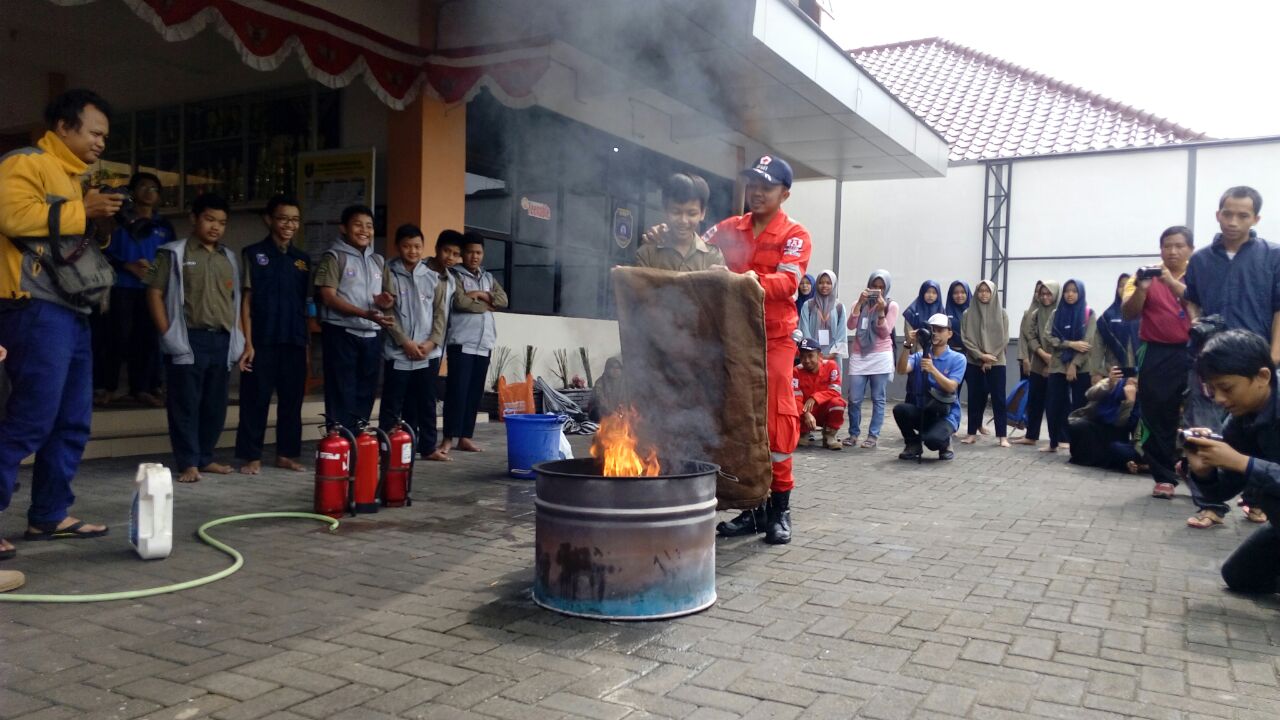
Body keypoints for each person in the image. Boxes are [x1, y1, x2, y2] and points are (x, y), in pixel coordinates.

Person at [0, 89, 121, 590]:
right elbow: (11, 217)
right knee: (30, 418)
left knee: (72, 419)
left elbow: (72, 241)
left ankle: (49, 513)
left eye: (105, 137)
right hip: (32, 306)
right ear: (65, 127)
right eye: (95, 133)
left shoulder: (77, 179)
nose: (100, 143)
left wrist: (99, 221)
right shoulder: (24, 163)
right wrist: (81, 208)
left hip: (72, 308)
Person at [700, 155, 811, 545]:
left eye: (767, 186)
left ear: (785, 194)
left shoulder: (795, 235)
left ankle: (780, 509)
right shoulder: (729, 228)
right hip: (732, 338)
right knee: (738, 418)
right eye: (753, 185)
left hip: (774, 340)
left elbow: (787, 283)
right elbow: (696, 249)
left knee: (776, 421)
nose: (757, 192)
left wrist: (740, 279)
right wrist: (665, 234)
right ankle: (752, 508)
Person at [146, 193, 246, 484]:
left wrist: (238, 337)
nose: (216, 227)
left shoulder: (228, 257)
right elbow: (153, 293)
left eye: (222, 223)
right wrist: (167, 333)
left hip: (221, 339)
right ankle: (188, 462)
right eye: (209, 219)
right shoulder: (173, 253)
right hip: (188, 338)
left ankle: (205, 457)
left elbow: (235, 300)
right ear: (194, 218)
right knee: (185, 404)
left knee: (215, 405)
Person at [1181, 330, 1280, 588]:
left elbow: (1241, 465)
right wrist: (1204, 472)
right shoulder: (1240, 418)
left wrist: (1241, 462)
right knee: (1239, 575)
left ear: (1262, 377)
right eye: (1212, 389)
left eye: (1226, 388)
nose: (1219, 399)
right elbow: (1223, 490)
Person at [235, 195, 311, 475]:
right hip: (262, 340)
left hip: (293, 339)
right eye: (283, 219)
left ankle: (286, 454)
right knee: (255, 400)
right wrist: (248, 342)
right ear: (269, 220)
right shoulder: (253, 254)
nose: (289, 225)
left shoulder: (302, 260)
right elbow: (246, 301)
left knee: (291, 401)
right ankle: (251, 456)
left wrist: (306, 345)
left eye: (295, 220)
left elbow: (305, 305)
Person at [1121, 226, 1192, 500]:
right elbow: (1128, 313)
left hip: (1194, 351)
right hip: (1156, 352)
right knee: (1157, 413)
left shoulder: (1199, 274)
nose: (1172, 251)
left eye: (1179, 246)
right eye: (1167, 246)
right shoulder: (1143, 275)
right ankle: (1164, 477)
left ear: (1190, 249)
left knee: (1199, 413)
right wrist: (1142, 289)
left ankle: (1194, 471)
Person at [314, 204, 392, 433]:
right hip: (341, 332)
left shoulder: (378, 260)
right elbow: (328, 297)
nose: (364, 230)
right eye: (358, 225)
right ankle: (339, 440)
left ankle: (358, 438)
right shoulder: (334, 257)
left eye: (369, 226)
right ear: (343, 228)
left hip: (371, 334)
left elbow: (386, 298)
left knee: (366, 390)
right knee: (341, 389)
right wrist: (364, 313)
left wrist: (385, 301)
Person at [100, 171, 174, 407]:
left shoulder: (163, 225)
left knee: (147, 338)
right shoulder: (117, 219)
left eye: (154, 188)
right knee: (117, 336)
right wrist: (127, 265)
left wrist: (153, 272)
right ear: (132, 192)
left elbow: (171, 256)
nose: (149, 192)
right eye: (143, 186)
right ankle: (108, 387)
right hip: (121, 285)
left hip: (151, 290)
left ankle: (141, 388)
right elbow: (101, 251)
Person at [1184, 187, 1280, 362]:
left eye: (1243, 216)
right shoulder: (1200, 259)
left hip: (1257, 355)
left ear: (1255, 219)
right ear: (1218, 215)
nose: (1233, 222)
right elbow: (1191, 298)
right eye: (1227, 214)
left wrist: (1274, 357)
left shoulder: (1273, 256)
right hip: (1211, 354)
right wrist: (1196, 318)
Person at [379, 224, 449, 461]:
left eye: (417, 246)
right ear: (397, 247)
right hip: (398, 352)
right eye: (407, 246)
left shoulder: (432, 277)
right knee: (392, 402)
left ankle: (428, 448)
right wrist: (404, 342)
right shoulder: (387, 273)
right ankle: (386, 448)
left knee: (426, 402)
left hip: (427, 353)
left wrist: (432, 342)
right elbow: (387, 312)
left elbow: (440, 314)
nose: (412, 251)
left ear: (423, 247)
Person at [440, 232, 508, 455]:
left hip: (484, 345)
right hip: (462, 342)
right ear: (463, 253)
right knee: (456, 392)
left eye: (478, 252)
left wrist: (479, 293)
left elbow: (503, 300)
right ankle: (448, 438)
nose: (474, 256)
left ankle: (465, 437)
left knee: (473, 394)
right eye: (470, 252)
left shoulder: (488, 277)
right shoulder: (454, 275)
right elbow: (460, 302)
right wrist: (488, 303)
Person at [893, 313, 966, 460]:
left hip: (946, 414)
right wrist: (908, 345)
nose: (935, 334)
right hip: (924, 410)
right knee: (900, 410)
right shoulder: (920, 355)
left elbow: (951, 387)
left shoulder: (958, 358)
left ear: (949, 333)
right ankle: (913, 444)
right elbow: (901, 370)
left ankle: (945, 443)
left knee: (932, 441)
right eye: (932, 330)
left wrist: (933, 369)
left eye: (940, 330)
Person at [843, 270, 897, 449]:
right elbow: (850, 325)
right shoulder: (859, 303)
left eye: (881, 287)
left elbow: (885, 332)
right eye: (875, 286)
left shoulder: (891, 306)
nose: (878, 290)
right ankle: (853, 433)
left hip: (880, 355)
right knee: (854, 398)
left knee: (878, 398)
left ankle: (873, 436)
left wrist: (881, 311)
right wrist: (859, 303)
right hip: (859, 355)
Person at [1042, 279, 1096, 453]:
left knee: (1079, 407)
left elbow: (1088, 343)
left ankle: (1078, 445)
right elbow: (1048, 336)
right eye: (1067, 291)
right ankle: (1053, 442)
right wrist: (1070, 344)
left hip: (1081, 368)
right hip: (1058, 365)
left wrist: (1074, 364)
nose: (1070, 294)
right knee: (1054, 405)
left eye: (1074, 291)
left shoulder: (1088, 314)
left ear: (1080, 293)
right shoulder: (1057, 313)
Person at [635, 173, 726, 272]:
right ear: (665, 210)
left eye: (691, 214)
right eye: (676, 212)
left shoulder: (713, 257)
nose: (683, 220)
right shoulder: (648, 253)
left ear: (703, 213)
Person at [960, 280, 1011, 447]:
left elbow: (1004, 338)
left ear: (993, 293)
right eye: (980, 290)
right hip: (974, 362)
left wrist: (991, 357)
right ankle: (971, 433)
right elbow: (965, 338)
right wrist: (981, 356)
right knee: (974, 397)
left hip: (997, 362)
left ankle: (1002, 436)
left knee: (998, 398)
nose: (983, 294)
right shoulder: (968, 313)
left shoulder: (1002, 313)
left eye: (987, 291)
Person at [1014, 281, 1059, 447]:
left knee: (1056, 403)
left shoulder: (1061, 314)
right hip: (1038, 362)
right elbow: (1030, 337)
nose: (1045, 297)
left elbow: (1063, 339)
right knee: (1034, 401)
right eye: (1042, 294)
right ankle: (1031, 435)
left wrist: (1051, 360)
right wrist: (1041, 354)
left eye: (1049, 294)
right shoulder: (1035, 313)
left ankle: (1060, 438)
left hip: (1058, 364)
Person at [1067, 368, 1140, 471]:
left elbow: (1122, 423)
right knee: (1078, 426)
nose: (1133, 383)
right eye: (1131, 379)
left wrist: (1129, 402)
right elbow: (1090, 395)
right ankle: (1084, 458)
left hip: (1117, 430)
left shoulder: (1140, 396)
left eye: (1136, 381)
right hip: (1098, 422)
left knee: (1117, 448)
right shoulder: (1113, 382)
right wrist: (1109, 384)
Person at [794, 337, 846, 450]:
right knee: (792, 405)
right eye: (802, 356)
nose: (806, 360)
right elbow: (795, 398)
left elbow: (836, 391)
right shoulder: (796, 371)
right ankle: (803, 433)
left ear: (819, 355)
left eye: (810, 356)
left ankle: (829, 435)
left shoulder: (831, 366)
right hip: (806, 412)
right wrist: (806, 414)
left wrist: (815, 398)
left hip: (824, 410)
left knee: (838, 403)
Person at [1097, 272, 1140, 375]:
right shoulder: (1107, 315)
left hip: (1141, 368)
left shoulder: (1144, 313)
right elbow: (1098, 345)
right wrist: (1097, 372)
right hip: (1114, 369)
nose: (1124, 288)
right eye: (1121, 285)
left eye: (1128, 285)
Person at [799, 269, 847, 361]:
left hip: (833, 355)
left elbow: (842, 333)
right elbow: (804, 329)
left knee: (832, 370)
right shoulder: (808, 305)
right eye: (821, 282)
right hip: (812, 356)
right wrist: (813, 352)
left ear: (833, 285)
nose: (824, 285)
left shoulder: (839, 307)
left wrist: (833, 353)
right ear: (817, 284)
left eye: (828, 283)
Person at [589, 356, 624, 422]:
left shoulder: (624, 383)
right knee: (598, 411)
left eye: (617, 368)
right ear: (607, 369)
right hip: (603, 411)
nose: (615, 370)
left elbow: (625, 400)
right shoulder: (600, 383)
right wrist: (611, 412)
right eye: (612, 367)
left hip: (618, 413)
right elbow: (600, 400)